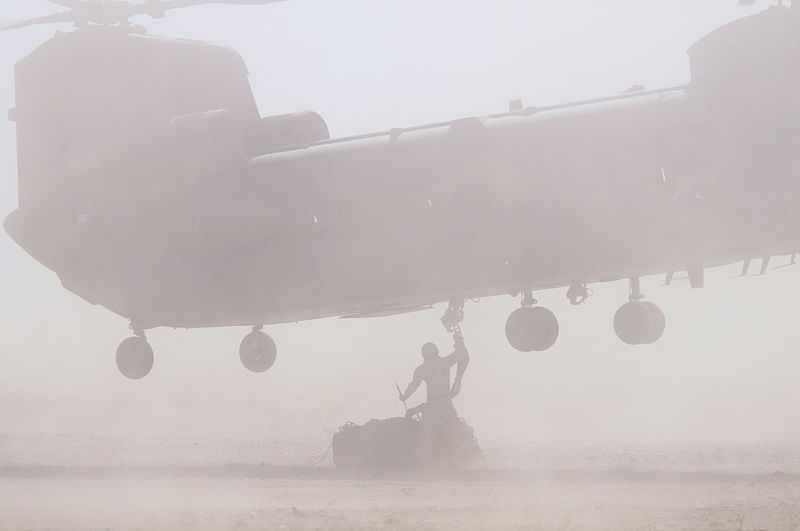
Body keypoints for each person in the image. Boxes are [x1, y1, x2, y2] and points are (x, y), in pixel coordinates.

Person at [398, 331, 469, 422]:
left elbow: (414, 385)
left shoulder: (422, 369)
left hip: (432, 405)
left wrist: (405, 396)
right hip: (446, 405)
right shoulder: (445, 362)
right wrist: (458, 339)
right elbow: (462, 353)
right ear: (436, 351)